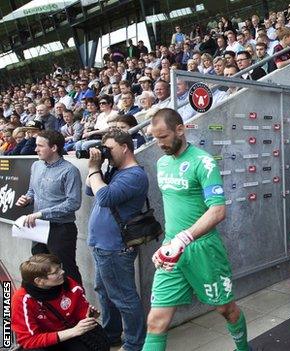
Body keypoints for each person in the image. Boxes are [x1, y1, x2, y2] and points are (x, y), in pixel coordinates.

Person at [145, 108, 250, 351]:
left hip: (203, 249)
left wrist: (185, 238)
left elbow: (218, 210)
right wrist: (173, 243)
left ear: (180, 129)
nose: (159, 144)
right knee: (155, 321)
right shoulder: (162, 163)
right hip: (171, 251)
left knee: (226, 310)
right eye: (155, 138)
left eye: (163, 137)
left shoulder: (203, 161)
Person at [85, 129, 148, 350]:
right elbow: (89, 190)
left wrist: (94, 169)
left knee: (124, 298)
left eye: (109, 149)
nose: (106, 153)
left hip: (115, 247)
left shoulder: (134, 175)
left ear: (124, 148)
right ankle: (111, 334)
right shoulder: (114, 170)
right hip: (102, 245)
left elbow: (103, 197)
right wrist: (98, 167)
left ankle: (135, 343)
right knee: (105, 293)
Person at [16, 130, 83, 284]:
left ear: (53, 148)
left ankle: (79, 305)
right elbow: (32, 191)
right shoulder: (36, 165)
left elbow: (73, 203)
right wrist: (27, 199)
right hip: (37, 227)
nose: (35, 149)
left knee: (66, 271)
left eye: (40, 146)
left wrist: (41, 214)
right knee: (39, 271)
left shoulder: (70, 170)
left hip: (61, 229)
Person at [11, 254, 102, 351]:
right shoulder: (22, 299)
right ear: (39, 281)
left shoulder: (69, 285)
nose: (62, 272)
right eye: (55, 272)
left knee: (96, 338)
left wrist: (88, 317)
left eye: (60, 268)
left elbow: (80, 312)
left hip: (70, 334)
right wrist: (73, 331)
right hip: (44, 341)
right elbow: (28, 341)